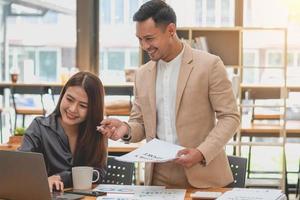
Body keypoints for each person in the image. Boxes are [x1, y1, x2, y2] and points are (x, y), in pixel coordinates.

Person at [98, 0, 240, 188]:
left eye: (149, 38)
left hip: (202, 173)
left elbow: (230, 117)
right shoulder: (142, 74)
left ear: (171, 30)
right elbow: (140, 122)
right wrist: (125, 129)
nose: (144, 46)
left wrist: (201, 152)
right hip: (158, 176)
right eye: (139, 39)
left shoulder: (209, 65)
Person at [19, 71, 107, 191]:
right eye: (69, 99)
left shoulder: (98, 132)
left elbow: (98, 174)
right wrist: (44, 181)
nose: (72, 109)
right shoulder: (39, 127)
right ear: (62, 95)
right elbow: (21, 168)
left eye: (83, 106)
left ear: (93, 110)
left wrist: (61, 178)